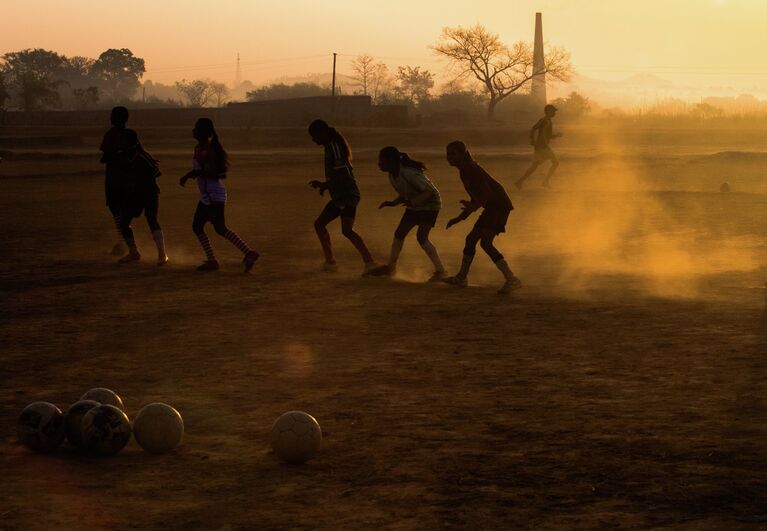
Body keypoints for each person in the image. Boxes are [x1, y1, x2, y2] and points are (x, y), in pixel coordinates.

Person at [179, 118, 258, 272]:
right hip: (209, 195)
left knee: (204, 227)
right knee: (217, 228)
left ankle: (218, 259)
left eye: (196, 128)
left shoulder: (210, 150)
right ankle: (245, 254)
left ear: (203, 132)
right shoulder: (199, 149)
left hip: (213, 195)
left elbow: (220, 174)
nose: (193, 130)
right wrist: (192, 174)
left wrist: (194, 173)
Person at [443, 141, 522, 294]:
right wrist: (460, 217)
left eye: (453, 154)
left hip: (499, 206)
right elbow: (476, 198)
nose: (449, 157)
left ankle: (512, 279)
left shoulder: (470, 169)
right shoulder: (464, 170)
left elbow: (487, 194)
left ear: (462, 154)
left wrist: (474, 207)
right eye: (447, 154)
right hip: (492, 207)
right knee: (471, 240)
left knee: (485, 243)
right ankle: (461, 278)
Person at [307, 119, 378, 275]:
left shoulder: (334, 147)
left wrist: (326, 185)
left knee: (346, 230)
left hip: (348, 195)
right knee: (319, 224)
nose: (313, 140)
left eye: (314, 136)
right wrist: (326, 186)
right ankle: (330, 262)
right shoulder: (329, 147)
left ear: (323, 133)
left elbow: (345, 176)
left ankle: (370, 263)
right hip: (339, 196)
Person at [369, 146, 446, 281]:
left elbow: (429, 192)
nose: (379, 163)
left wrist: (413, 202)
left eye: (382, 160)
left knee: (421, 237)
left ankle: (441, 271)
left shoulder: (408, 173)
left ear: (391, 161)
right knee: (399, 234)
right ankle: (391, 268)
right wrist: (393, 202)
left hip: (431, 204)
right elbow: (405, 193)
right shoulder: (392, 175)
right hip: (415, 204)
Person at [115, 129, 168, 265]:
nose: (119, 143)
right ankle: (134, 252)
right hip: (134, 194)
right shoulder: (122, 157)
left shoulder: (141, 156)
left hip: (149, 192)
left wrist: (139, 181)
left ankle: (162, 254)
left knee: (151, 218)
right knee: (124, 222)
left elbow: (157, 172)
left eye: (121, 140)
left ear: (129, 142)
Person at [99, 106, 133, 255]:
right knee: (124, 211)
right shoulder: (130, 135)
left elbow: (104, 157)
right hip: (129, 178)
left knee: (116, 211)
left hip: (114, 179)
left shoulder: (110, 135)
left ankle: (123, 242)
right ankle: (124, 242)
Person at [515, 104, 561, 189]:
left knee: (534, 166)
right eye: (553, 111)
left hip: (543, 146)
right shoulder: (543, 120)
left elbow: (549, 136)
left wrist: (557, 135)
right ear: (548, 112)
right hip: (542, 147)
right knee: (555, 162)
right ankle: (545, 182)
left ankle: (519, 182)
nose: (555, 113)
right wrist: (532, 139)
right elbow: (533, 128)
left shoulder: (549, 121)